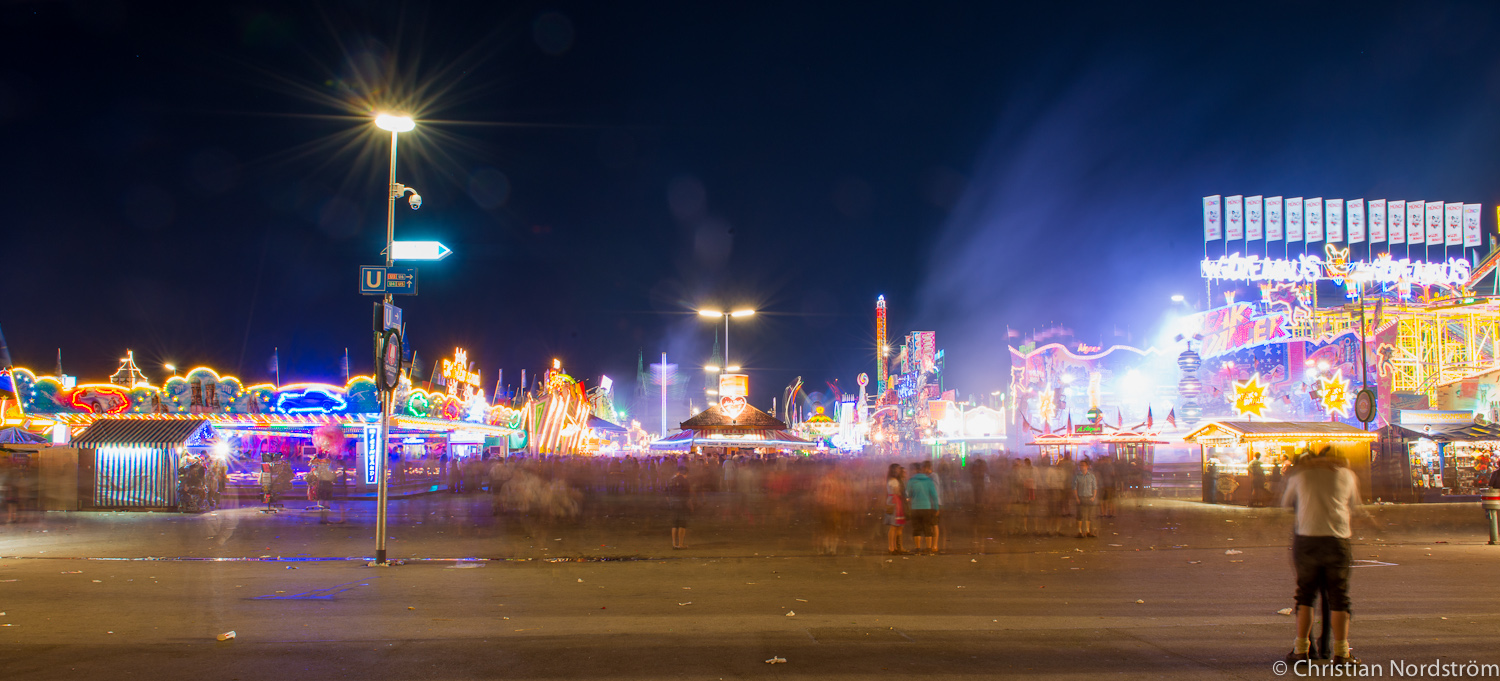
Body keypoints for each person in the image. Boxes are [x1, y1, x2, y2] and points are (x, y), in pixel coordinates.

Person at [1282, 447, 1365, 667]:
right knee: (1339, 597)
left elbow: (1287, 502)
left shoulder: (1301, 475)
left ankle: (1301, 649)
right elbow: (1354, 504)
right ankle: (1342, 652)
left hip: (1306, 539)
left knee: (1305, 595)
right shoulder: (1347, 475)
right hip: (1337, 540)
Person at [906, 461, 941, 554]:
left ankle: (918, 548)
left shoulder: (911, 481)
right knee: (927, 528)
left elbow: (907, 494)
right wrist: (936, 507)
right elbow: (934, 495)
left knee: (917, 528)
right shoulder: (928, 480)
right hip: (927, 507)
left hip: (915, 507)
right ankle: (928, 548)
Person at [666, 466, 692, 549]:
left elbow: (667, 494)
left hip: (673, 504)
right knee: (682, 524)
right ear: (686, 473)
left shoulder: (671, 480)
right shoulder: (685, 481)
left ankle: (674, 544)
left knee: (674, 524)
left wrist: (671, 503)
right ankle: (680, 544)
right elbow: (688, 496)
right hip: (682, 504)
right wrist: (690, 506)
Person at [885, 464, 908, 554]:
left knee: (895, 526)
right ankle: (891, 547)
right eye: (898, 469)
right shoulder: (893, 481)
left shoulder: (890, 480)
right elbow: (897, 492)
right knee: (893, 526)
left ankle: (894, 547)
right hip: (895, 502)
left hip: (893, 501)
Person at [1073, 459, 1099, 538]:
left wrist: (1093, 497)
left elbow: (1094, 487)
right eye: (1080, 465)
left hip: (1089, 497)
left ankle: (1087, 531)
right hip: (1081, 497)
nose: (1081, 467)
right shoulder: (1077, 476)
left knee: (1089, 515)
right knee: (1080, 515)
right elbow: (1074, 488)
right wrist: (1077, 498)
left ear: (1087, 466)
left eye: (1083, 465)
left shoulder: (1091, 476)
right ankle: (1079, 531)